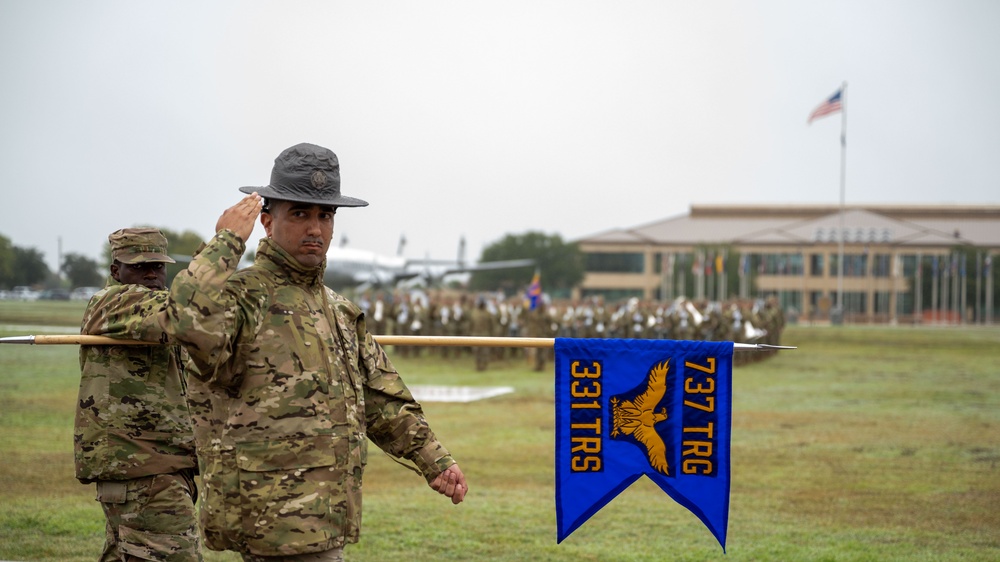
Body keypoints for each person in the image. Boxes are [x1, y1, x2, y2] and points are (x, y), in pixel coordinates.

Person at [159, 143, 467, 562]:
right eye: (300, 213)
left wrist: (433, 459)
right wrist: (227, 240)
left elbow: (380, 397)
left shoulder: (339, 309)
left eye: (325, 215)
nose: (315, 229)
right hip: (269, 521)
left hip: (327, 519)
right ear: (267, 220)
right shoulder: (241, 298)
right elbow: (183, 318)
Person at [75, 228, 203, 562]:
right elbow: (180, 312)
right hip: (143, 471)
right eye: (139, 266)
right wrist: (216, 256)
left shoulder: (159, 311)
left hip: (156, 469)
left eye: (158, 266)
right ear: (116, 270)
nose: (150, 273)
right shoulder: (114, 303)